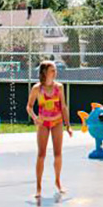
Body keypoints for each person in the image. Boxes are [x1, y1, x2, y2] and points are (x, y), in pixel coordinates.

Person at [27, 60, 72, 198]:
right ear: (45, 72)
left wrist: (68, 125)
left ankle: (58, 181)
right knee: (41, 154)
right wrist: (35, 118)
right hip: (43, 124)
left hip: (57, 122)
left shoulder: (59, 87)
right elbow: (29, 106)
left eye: (55, 70)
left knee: (58, 154)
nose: (55, 72)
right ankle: (38, 186)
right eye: (52, 70)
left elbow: (63, 106)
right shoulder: (37, 89)